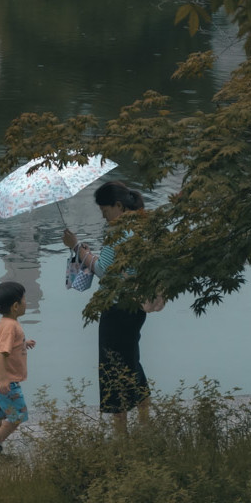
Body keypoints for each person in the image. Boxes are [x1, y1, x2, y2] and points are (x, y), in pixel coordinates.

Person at [62, 181, 150, 435]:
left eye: (105, 211)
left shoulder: (121, 232)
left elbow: (105, 272)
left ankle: (121, 435)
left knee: (113, 368)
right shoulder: (140, 226)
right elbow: (118, 267)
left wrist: (76, 247)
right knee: (132, 363)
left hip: (117, 310)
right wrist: (87, 253)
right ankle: (145, 425)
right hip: (134, 308)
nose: (103, 216)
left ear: (118, 206)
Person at [0, 281, 36, 454]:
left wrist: (23, 343)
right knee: (18, 415)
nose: (26, 303)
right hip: (6, 381)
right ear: (15, 306)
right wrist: (5, 380)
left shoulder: (5, 322)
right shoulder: (11, 326)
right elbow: (1, 353)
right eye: (24, 300)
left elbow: (8, 345)